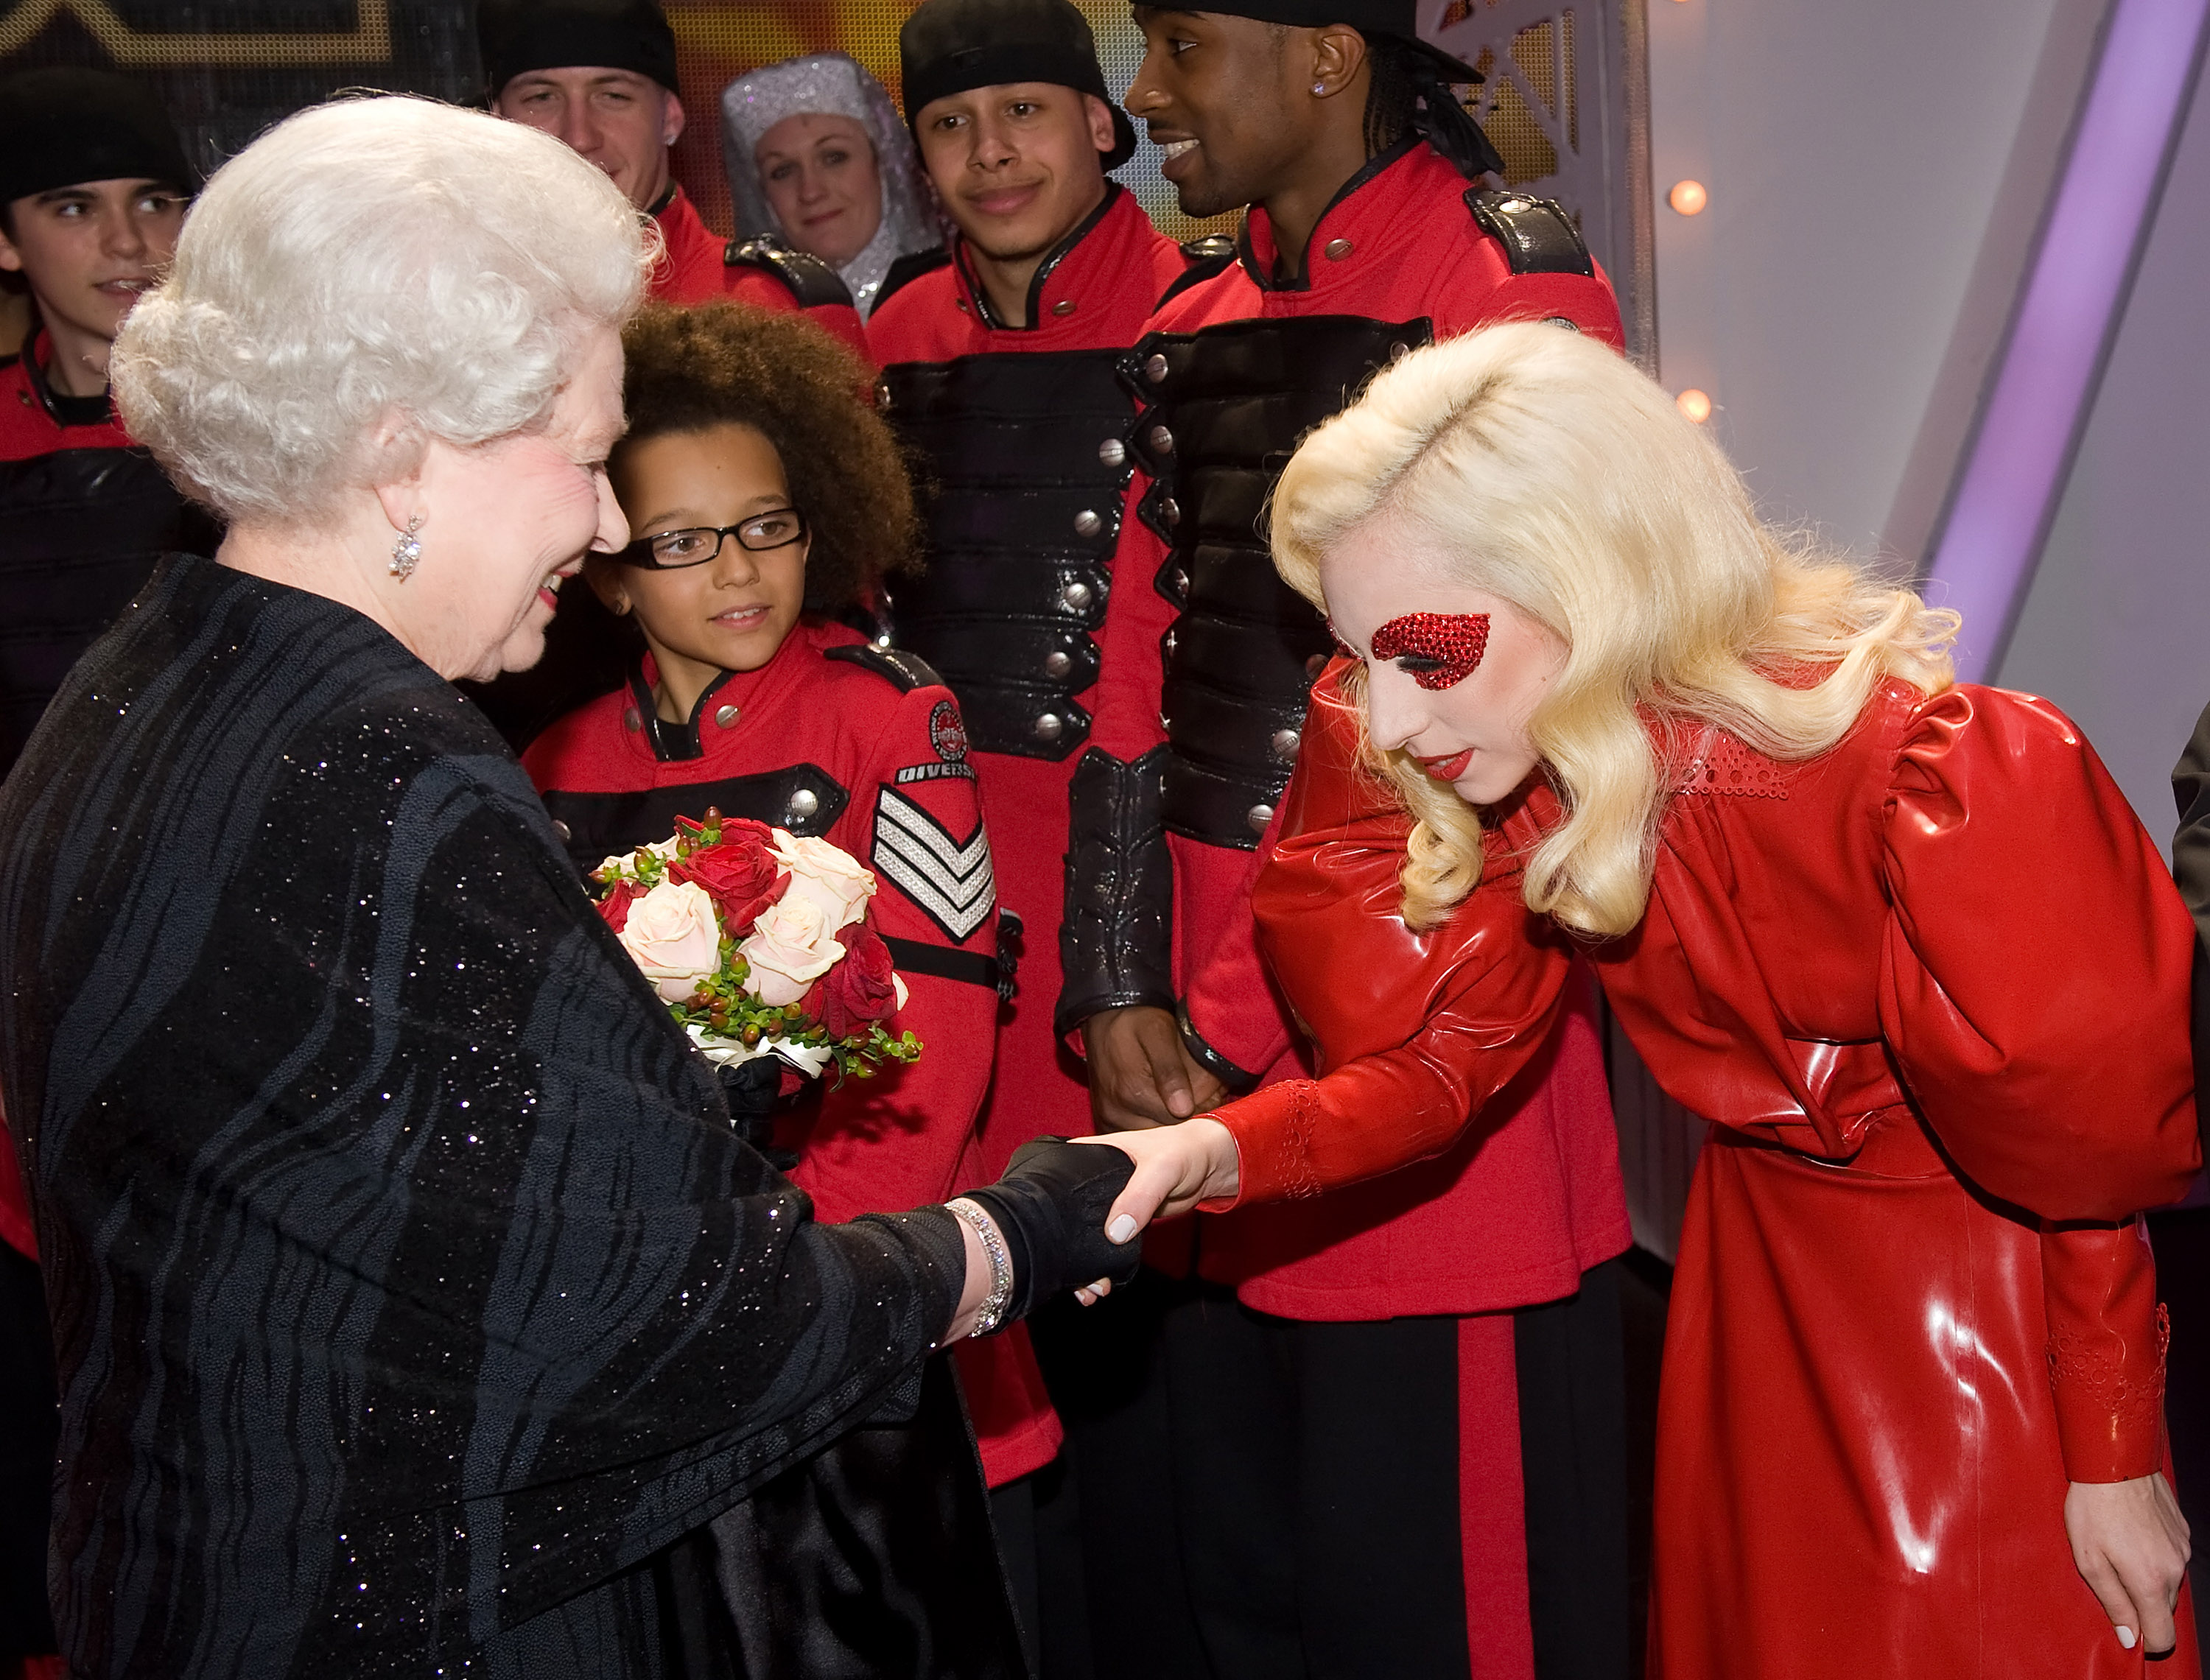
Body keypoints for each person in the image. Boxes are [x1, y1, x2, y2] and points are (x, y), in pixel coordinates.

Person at [0, 95, 1142, 1677]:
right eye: (592, 457)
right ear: (408, 451)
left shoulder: (144, 681)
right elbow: (678, 1333)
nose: (608, 523)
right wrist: (1014, 1235)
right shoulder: (394, 778)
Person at [1099, 320, 2206, 1679]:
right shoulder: (1545, 772)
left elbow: (2079, 1162)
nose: (1382, 720)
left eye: (1423, 653)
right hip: (1751, 1284)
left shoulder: (1933, 771)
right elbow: (1444, 1068)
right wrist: (1215, 1150)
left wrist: (2110, 1450)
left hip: (1981, 1298)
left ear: (1591, 579)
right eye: (1359, 654)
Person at [1054, 3, 1632, 1671]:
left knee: (1439, 1613)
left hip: (1420, 1038)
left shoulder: (1507, 292)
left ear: (1323, 53)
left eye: (1178, 41)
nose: (1141, 91)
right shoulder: (1198, 299)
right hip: (1208, 1057)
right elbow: (1131, 674)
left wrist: (1221, 1012)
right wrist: (1113, 978)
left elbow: (1531, 711)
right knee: (1246, 1595)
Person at [863, 0, 1204, 1654]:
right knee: (977, 1301)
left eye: (1027, 113)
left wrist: (1129, 949)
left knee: (1142, 1312)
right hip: (936, 886)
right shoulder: (894, 337)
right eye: (952, 124)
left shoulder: (1204, 313)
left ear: (1102, 123)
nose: (992, 154)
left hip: (1124, 877)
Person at [0, 67, 216, 781]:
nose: (127, 242)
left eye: (154, 202)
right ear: (6, 242)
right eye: (74, 209)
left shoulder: (264, 422)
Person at [478, 0, 868, 351]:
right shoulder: (459, 308)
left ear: (670, 118)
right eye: (540, 98)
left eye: (614, 96)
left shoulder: (773, 310)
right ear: (497, 122)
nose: (579, 137)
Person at [721, 53, 943, 319]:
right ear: (763, 198)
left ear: (883, 165)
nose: (811, 192)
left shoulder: (958, 305)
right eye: (783, 172)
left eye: (834, 158)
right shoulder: (755, 334)